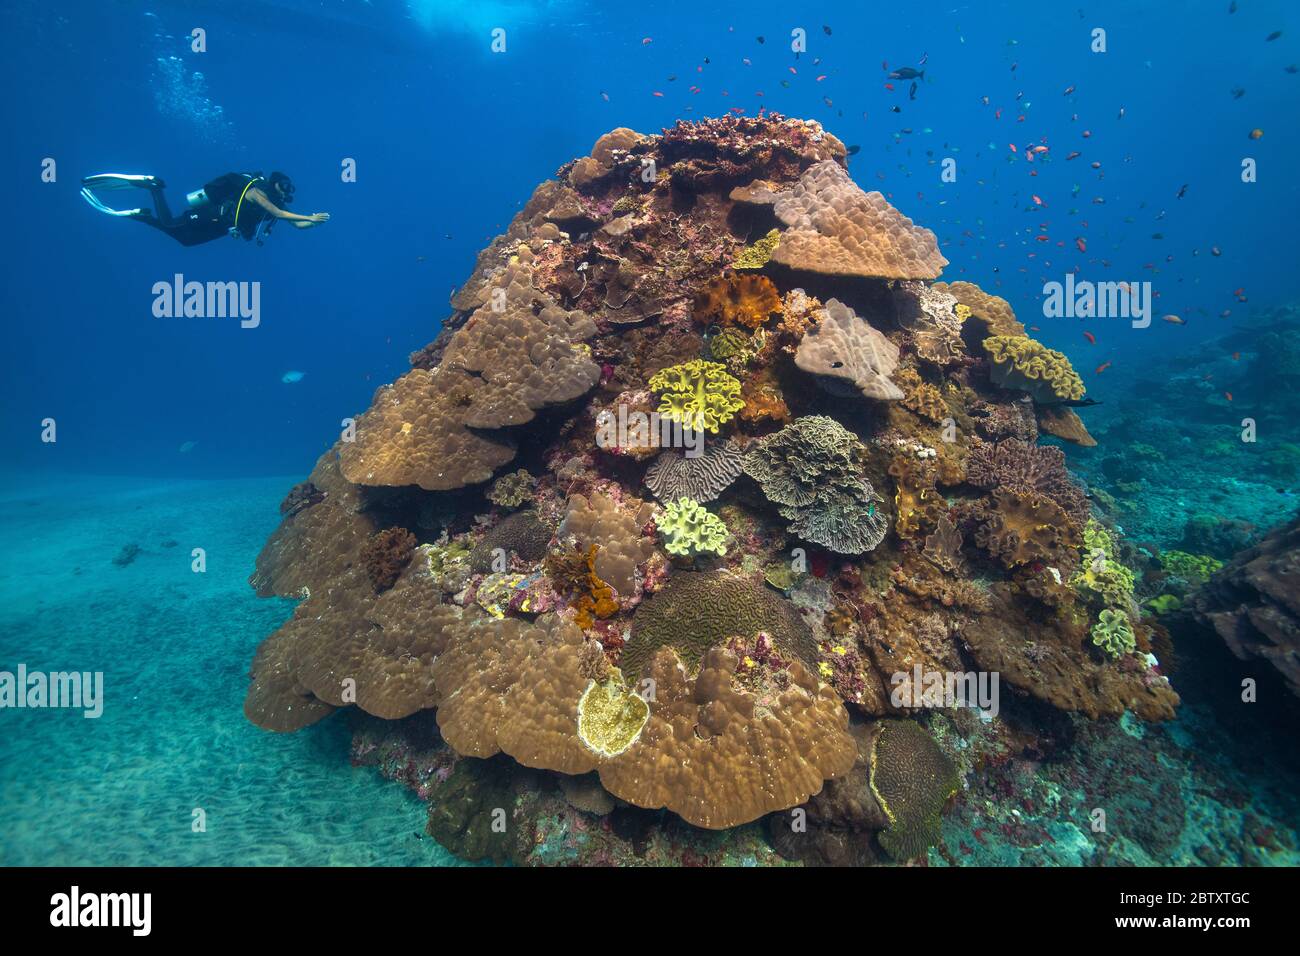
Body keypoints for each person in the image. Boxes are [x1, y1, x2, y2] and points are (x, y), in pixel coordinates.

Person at [79, 170, 329, 246]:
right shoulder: (256, 191)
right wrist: (309, 216)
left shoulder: (277, 203)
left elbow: (297, 225)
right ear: (274, 183)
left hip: (223, 228)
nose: (286, 191)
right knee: (169, 223)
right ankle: (154, 187)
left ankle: (141, 216)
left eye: (289, 188)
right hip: (212, 215)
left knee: (186, 241)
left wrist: (313, 222)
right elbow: (277, 214)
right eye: (284, 186)